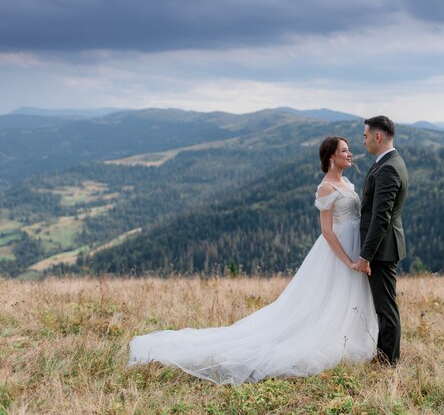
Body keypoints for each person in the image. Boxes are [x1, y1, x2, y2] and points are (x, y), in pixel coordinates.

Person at [128, 136, 378, 385]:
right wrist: (347, 260)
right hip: (338, 251)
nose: (350, 154)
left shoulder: (346, 183)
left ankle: (353, 335)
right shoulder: (327, 188)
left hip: (356, 243)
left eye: (348, 150)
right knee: (330, 298)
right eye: (344, 151)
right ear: (331, 156)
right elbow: (326, 231)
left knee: (348, 296)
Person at [354, 115, 408, 365]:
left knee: (385, 307)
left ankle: (389, 362)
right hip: (383, 247)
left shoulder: (388, 167)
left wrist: (366, 256)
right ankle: (384, 355)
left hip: (382, 249)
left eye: (365, 136)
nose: (363, 141)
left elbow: (380, 218)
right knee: (383, 305)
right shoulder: (388, 162)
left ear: (377, 136)